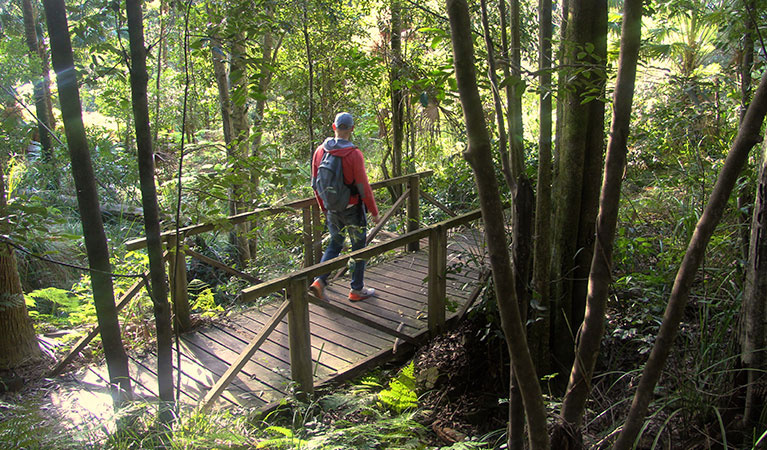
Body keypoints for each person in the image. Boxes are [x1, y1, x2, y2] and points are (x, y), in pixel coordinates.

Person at [309, 112, 379, 302]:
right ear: (352, 129)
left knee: (335, 244)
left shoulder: (320, 151)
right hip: (353, 209)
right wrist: (374, 211)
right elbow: (363, 187)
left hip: (332, 208)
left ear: (334, 127)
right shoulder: (354, 154)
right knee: (358, 248)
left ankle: (319, 281)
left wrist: (324, 207)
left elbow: (315, 183)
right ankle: (356, 290)